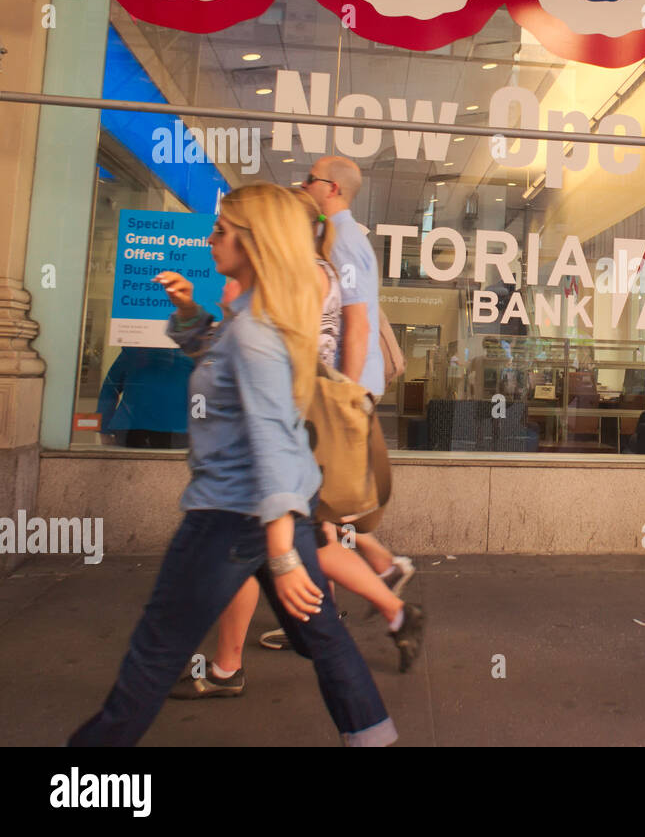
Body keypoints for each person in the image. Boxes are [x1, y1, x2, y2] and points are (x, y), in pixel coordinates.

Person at [69, 185, 397, 746]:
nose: (209, 238)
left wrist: (283, 554)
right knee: (325, 642)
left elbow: (270, 437)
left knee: (154, 654)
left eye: (221, 230)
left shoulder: (254, 334)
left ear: (252, 243)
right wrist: (187, 310)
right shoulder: (252, 323)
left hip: (230, 517)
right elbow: (224, 366)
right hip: (273, 516)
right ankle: (373, 738)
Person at [171, 190, 423, 698]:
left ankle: (228, 666)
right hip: (301, 418)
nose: (217, 239)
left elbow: (270, 348)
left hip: (294, 420)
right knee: (304, 542)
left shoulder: (292, 273)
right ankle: (390, 607)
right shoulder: (315, 268)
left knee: (265, 544)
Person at [257, 159, 415, 651]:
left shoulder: (343, 242)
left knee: (316, 518)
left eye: (308, 179)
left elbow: (359, 324)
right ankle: (345, 602)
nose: (303, 185)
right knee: (317, 518)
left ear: (328, 189)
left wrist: (342, 397)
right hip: (334, 397)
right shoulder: (335, 239)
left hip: (338, 397)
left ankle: (380, 595)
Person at [96, 346, 194, 448]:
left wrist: (103, 430)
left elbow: (109, 390)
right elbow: (202, 395)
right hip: (176, 427)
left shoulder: (132, 353)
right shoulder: (189, 354)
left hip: (131, 426)